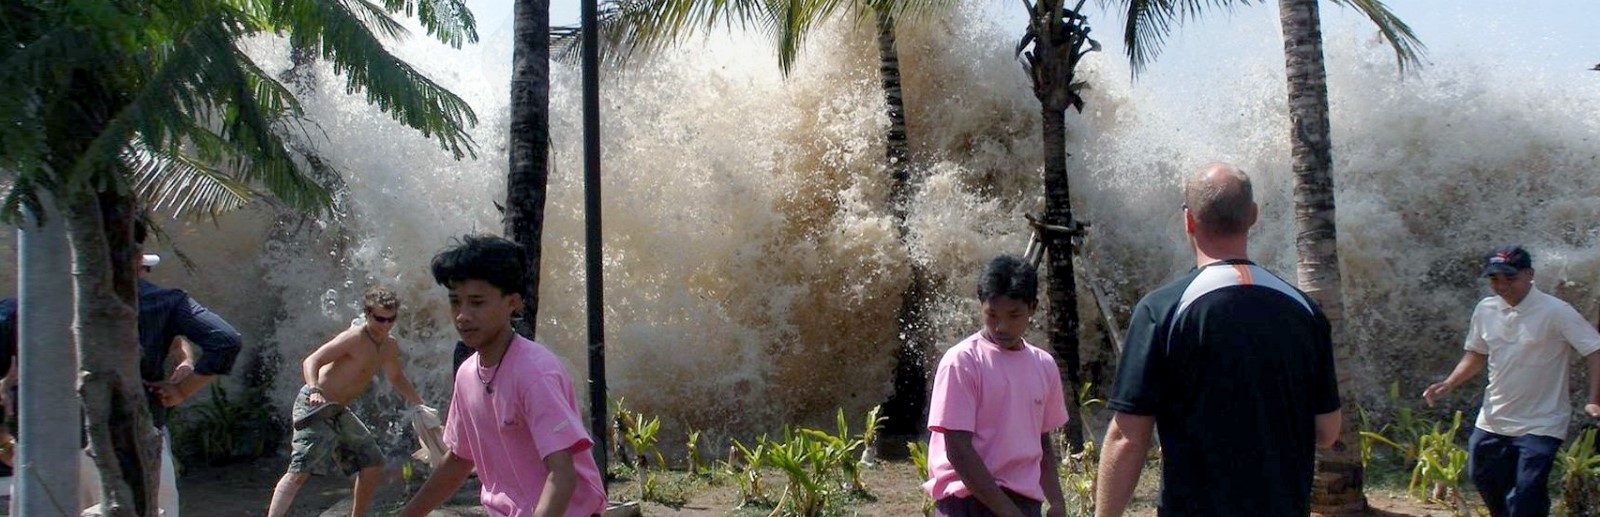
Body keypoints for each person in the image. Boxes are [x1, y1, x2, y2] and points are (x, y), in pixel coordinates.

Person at [1095, 163, 1341, 517]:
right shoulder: (1305, 312)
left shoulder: (1162, 310)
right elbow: (1328, 431)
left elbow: (1128, 439)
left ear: (1188, 220)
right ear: (1253, 216)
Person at [400, 234, 607, 517]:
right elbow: (460, 459)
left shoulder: (535, 373)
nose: (462, 315)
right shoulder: (467, 374)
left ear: (513, 303)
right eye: (455, 302)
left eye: (476, 302)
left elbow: (562, 475)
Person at [1422, 245, 1600, 517]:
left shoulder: (1557, 311)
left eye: (1510, 278)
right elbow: (1476, 354)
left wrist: (1594, 400)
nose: (1502, 286)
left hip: (1543, 422)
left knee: (1527, 492)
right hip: (1494, 418)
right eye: (1495, 279)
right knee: (1482, 478)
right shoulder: (1486, 309)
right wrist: (1450, 383)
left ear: (1530, 274)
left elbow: (1595, 350)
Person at [267, 286, 437, 517]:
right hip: (315, 406)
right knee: (300, 470)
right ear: (367, 315)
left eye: (391, 319)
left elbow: (395, 376)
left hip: (338, 411)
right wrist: (315, 389)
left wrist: (420, 403)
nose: (386, 325)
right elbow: (311, 361)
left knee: (372, 463)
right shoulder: (354, 337)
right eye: (380, 319)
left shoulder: (389, 346)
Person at [923, 254, 1069, 517]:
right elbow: (957, 450)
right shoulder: (962, 362)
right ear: (981, 306)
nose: (1002, 326)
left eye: (1014, 315)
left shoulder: (1044, 365)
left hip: (1024, 502)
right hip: (967, 501)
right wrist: (1007, 512)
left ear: (1033, 308)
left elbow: (1041, 440)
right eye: (992, 315)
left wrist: (1056, 500)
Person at [122, 222, 244, 516]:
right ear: (138, 259)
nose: (147, 275)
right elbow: (225, 340)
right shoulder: (161, 303)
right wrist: (181, 392)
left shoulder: (46, 303)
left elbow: (178, 343)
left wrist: (187, 362)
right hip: (140, 430)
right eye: (145, 268)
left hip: (61, 436)